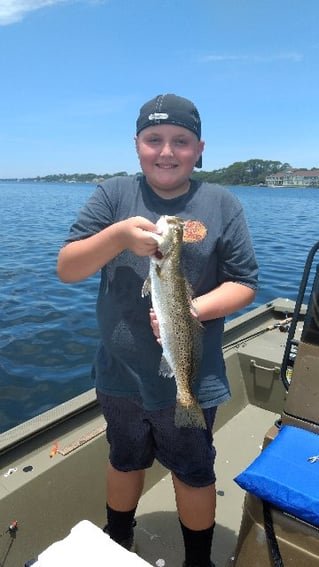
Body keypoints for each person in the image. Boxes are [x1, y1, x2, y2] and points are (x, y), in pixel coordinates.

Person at [57, 93, 258, 567]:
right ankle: (117, 539)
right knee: (124, 459)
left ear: (199, 148)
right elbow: (68, 268)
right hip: (120, 376)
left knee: (192, 471)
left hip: (192, 372)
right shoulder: (112, 196)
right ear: (137, 145)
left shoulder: (221, 203)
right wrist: (119, 237)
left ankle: (197, 559)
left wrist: (195, 308)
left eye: (180, 141)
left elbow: (246, 283)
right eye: (154, 140)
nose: (166, 151)